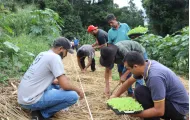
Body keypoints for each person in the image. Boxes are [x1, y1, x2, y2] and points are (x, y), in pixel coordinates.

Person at [17, 37, 84, 120]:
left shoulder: (42, 54)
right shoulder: (55, 57)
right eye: (66, 52)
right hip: (30, 101)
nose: (65, 55)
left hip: (23, 97)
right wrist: (78, 90)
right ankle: (42, 114)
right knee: (73, 96)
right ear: (61, 49)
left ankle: (36, 109)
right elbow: (65, 85)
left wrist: (56, 82)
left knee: (56, 85)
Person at [111, 51, 189, 120]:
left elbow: (159, 111)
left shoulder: (155, 77)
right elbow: (128, 82)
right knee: (139, 91)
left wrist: (134, 114)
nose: (129, 71)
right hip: (171, 100)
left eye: (128, 69)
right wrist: (115, 96)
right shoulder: (146, 65)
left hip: (178, 108)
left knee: (141, 92)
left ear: (135, 66)